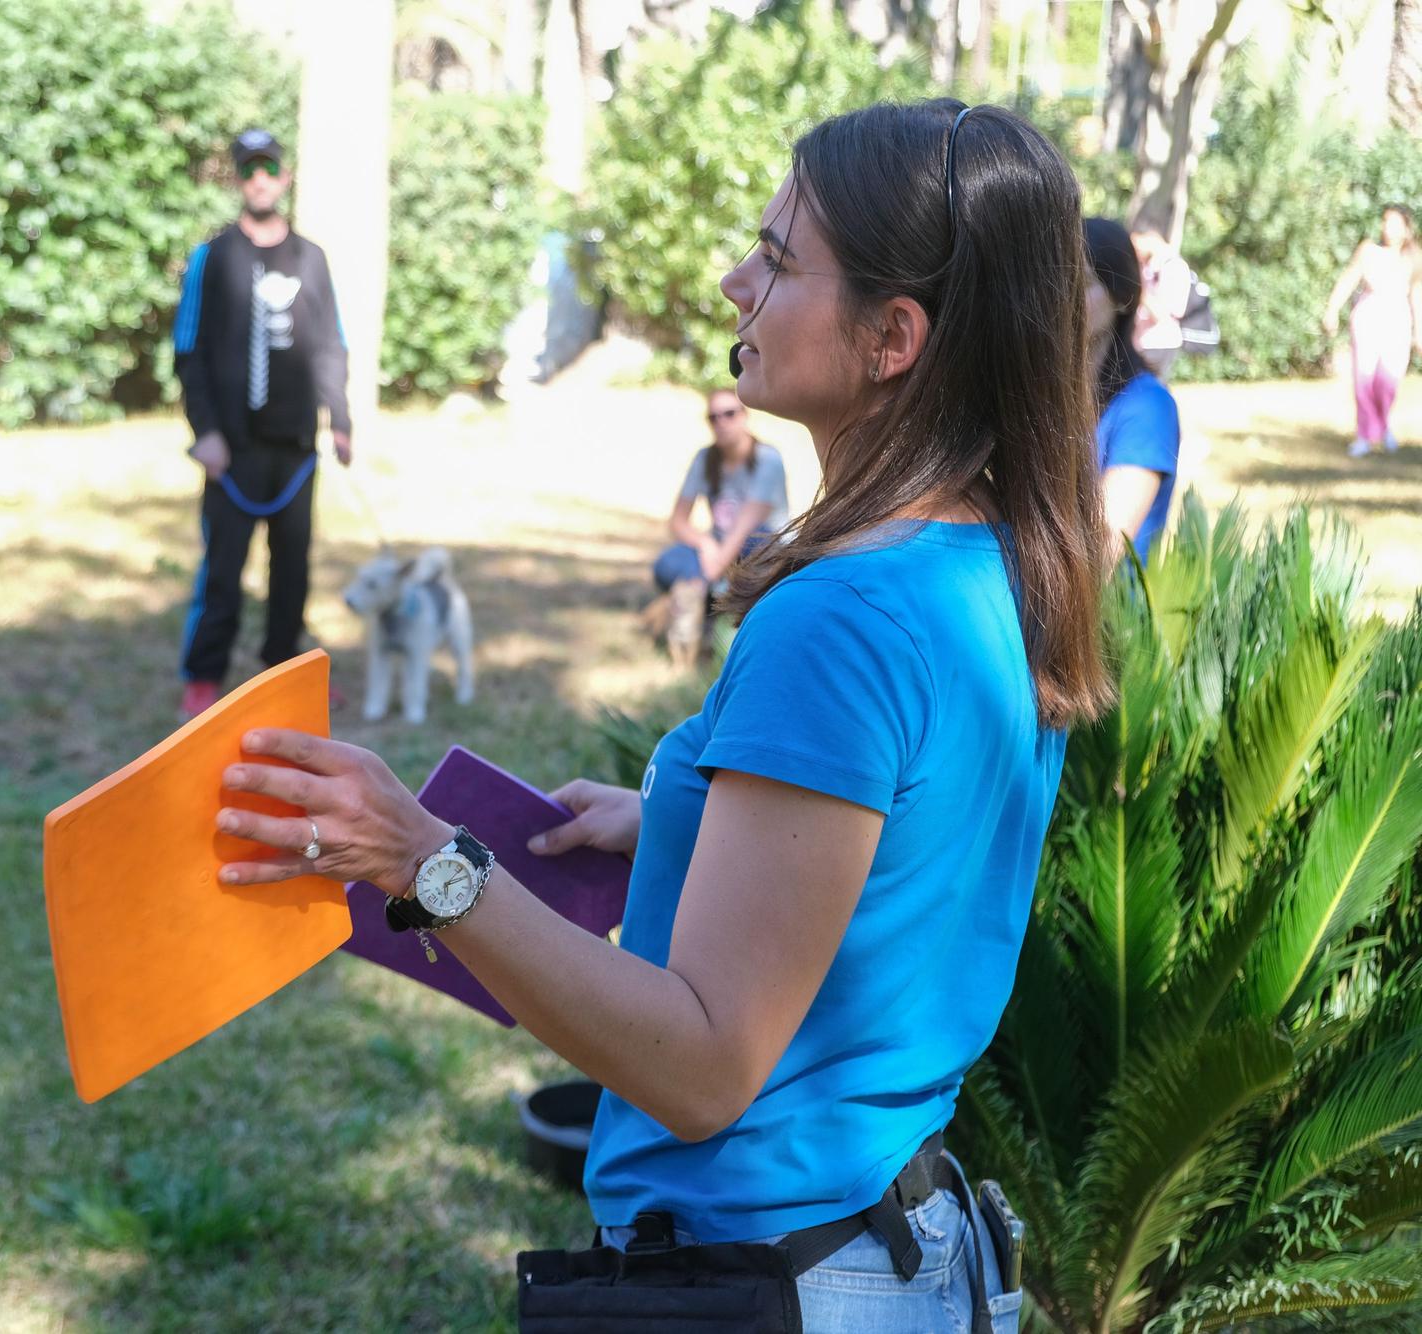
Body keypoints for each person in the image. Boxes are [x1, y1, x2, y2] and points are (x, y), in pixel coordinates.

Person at [212, 101, 1110, 1330]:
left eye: (779, 260)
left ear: (892, 334)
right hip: (901, 1250)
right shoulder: (993, 562)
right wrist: (685, 820)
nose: (734, 277)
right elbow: (905, 838)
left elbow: (700, 1068)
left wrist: (422, 859)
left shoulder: (840, 618)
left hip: (768, 1275)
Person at [171, 128, 353, 721]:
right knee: (223, 568)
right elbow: (189, 348)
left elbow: (331, 342)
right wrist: (207, 433)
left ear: (285, 176)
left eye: (268, 168)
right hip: (233, 448)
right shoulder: (213, 255)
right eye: (248, 169)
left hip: (296, 447)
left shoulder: (311, 258)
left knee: (293, 568)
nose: (259, 179)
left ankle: (284, 674)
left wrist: (341, 420)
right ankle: (204, 676)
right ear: (237, 178)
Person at [646, 388, 789, 665]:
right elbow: (678, 520)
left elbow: (748, 521)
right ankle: (691, 637)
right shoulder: (705, 459)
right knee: (668, 563)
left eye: (729, 414)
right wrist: (705, 544)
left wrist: (712, 568)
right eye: (713, 417)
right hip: (719, 546)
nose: (722, 422)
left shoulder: (767, 459)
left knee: (754, 550)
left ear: (744, 417)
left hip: (761, 545)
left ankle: (722, 623)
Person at [1085, 218, 1183, 564]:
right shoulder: (1043, 397)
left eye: (1079, 282)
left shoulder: (1148, 408)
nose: (1059, 298)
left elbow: (1101, 553)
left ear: (1123, 297)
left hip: (1114, 614)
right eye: (1052, 282)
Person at [1323, 204, 1422, 457]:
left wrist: (1419, 331)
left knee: (1387, 380)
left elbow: (1417, 295)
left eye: (1393, 222)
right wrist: (1332, 309)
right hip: (1368, 317)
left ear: (1405, 228)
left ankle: (1383, 425)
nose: (1386, 226)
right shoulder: (1368, 251)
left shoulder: (1412, 257)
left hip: (1398, 319)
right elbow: (1349, 278)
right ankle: (1364, 434)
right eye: (1384, 220)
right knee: (1363, 378)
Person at [1130, 228, 1195, 378]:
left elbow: (1163, 315)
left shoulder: (1173, 267)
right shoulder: (1149, 267)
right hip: (1143, 342)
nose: (1134, 249)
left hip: (1159, 342)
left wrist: (1138, 290)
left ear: (1149, 237)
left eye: (1135, 242)